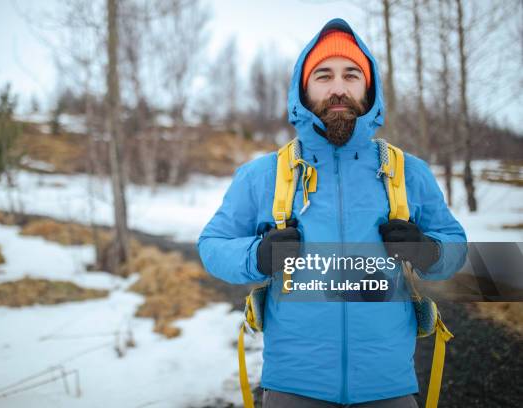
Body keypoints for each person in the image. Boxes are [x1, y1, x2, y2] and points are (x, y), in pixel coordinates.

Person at [197, 18, 467, 408]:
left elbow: (455, 243)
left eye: (351, 75)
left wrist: (431, 252)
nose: (338, 88)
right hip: (293, 387)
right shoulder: (263, 175)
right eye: (323, 75)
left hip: (389, 387)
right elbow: (212, 245)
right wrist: (256, 256)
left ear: (368, 88)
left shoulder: (408, 173)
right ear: (303, 90)